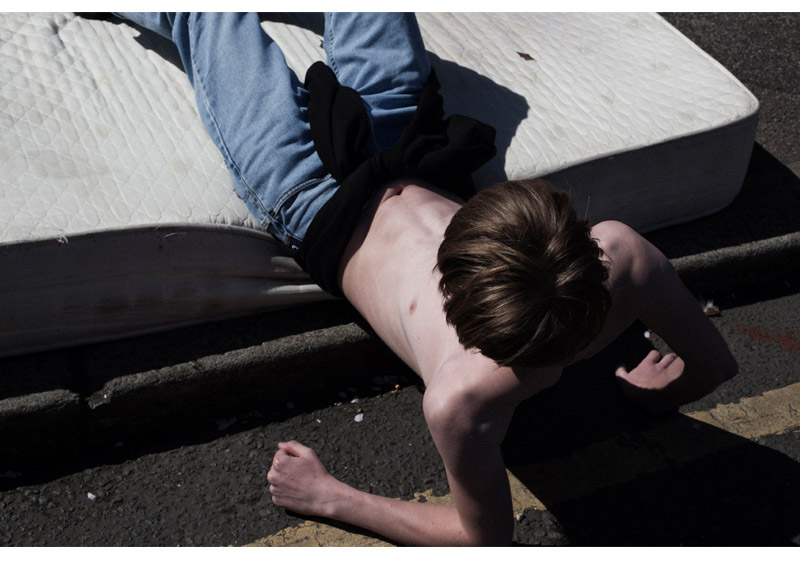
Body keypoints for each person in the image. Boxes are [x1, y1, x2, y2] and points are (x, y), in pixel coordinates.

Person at [112, 13, 738, 545]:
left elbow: (483, 539)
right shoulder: (622, 254)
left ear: (453, 297)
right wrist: (660, 392)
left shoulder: (460, 399)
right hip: (407, 145)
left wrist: (332, 497)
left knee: (208, 16)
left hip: (309, 194)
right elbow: (715, 366)